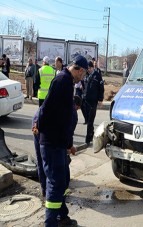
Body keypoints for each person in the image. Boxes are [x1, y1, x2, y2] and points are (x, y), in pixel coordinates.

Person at [32, 54, 88, 227]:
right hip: (51, 143)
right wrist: (38, 126)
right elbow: (46, 108)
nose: (84, 77)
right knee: (55, 184)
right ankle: (51, 223)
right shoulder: (62, 81)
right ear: (78, 69)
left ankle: (62, 217)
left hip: (58, 143)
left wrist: (69, 144)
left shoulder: (66, 82)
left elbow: (64, 120)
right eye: (84, 73)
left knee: (62, 180)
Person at [32, 95, 82, 199]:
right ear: (76, 106)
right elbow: (68, 132)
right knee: (60, 163)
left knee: (42, 161)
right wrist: (70, 146)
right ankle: (61, 191)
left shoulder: (55, 98)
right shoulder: (72, 112)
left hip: (37, 124)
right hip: (46, 133)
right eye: (78, 108)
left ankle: (45, 191)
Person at [81, 60, 104, 145]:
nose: (87, 70)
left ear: (92, 68)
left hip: (93, 101)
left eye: (89, 68)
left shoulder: (97, 76)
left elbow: (101, 88)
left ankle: (88, 139)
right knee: (88, 120)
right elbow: (83, 84)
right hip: (86, 100)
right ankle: (92, 134)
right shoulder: (86, 75)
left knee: (90, 121)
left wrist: (100, 100)